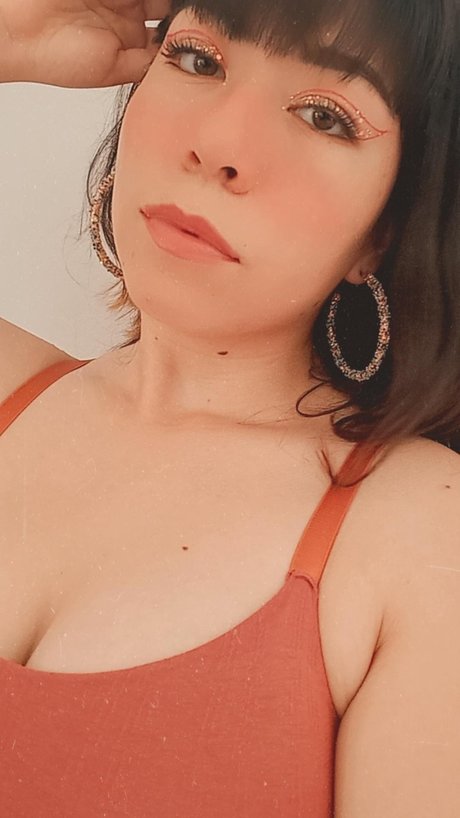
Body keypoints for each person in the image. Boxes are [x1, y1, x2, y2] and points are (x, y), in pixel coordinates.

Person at [0, 0, 459, 816]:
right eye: (198, 60)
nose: (218, 145)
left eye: (325, 116)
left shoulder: (418, 536)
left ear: (385, 229)